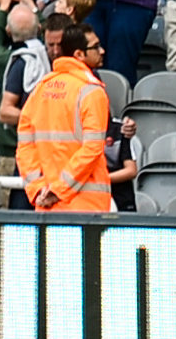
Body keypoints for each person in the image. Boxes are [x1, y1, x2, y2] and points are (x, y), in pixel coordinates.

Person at [12, 21, 112, 213]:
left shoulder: (40, 89)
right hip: (86, 206)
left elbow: (25, 148)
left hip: (46, 205)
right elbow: (92, 148)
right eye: (96, 47)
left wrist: (38, 189)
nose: (102, 51)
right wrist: (58, 190)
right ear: (79, 54)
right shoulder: (91, 91)